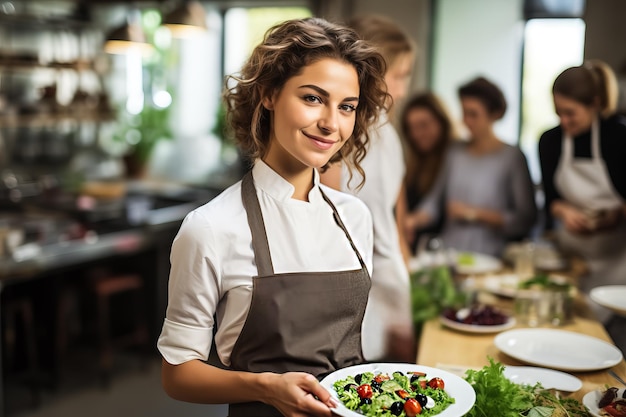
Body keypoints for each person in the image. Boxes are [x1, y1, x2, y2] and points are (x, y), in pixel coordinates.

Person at [157, 17, 389, 417]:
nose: (331, 123)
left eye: (346, 106)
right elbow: (177, 374)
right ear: (268, 94)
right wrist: (265, 388)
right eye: (313, 98)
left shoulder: (355, 217)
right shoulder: (210, 228)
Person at [320, 14, 416, 362]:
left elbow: (395, 214)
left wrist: (405, 277)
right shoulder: (338, 132)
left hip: (389, 278)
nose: (404, 90)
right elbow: (328, 219)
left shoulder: (387, 132)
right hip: (351, 285)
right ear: (371, 71)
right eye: (400, 76)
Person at [405, 77, 537, 257]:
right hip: (448, 255)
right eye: (464, 113)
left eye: (473, 114)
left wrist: (473, 214)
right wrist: (411, 221)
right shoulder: (454, 152)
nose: (466, 121)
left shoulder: (512, 157)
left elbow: (525, 219)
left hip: (492, 258)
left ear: (494, 114)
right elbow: (434, 202)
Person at [538, 60, 626, 325]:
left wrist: (613, 216)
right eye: (558, 113)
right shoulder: (550, 141)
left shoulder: (619, 138)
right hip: (571, 258)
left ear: (596, 104)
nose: (564, 121)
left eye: (571, 113)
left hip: (618, 262)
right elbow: (552, 200)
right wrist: (565, 211)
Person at [399, 92, 457, 253]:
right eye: (412, 128)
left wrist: (410, 221)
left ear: (442, 122)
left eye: (423, 125)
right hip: (417, 252)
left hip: (444, 251)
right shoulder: (413, 164)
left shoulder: (455, 158)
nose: (417, 134)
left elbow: (434, 206)